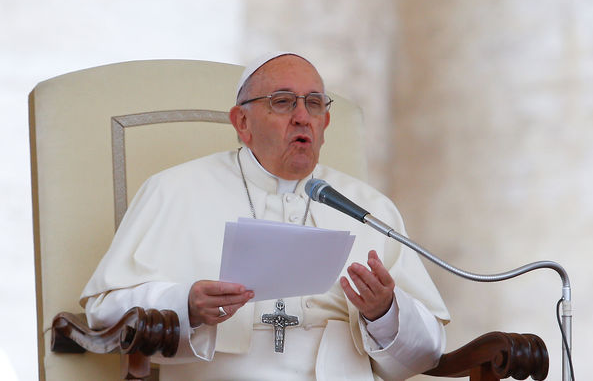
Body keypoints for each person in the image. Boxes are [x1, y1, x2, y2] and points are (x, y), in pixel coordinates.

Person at [81, 52, 450, 380]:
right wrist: (185, 304)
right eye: (284, 102)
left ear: (326, 123)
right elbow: (104, 311)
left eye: (315, 104)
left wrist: (384, 312)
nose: (302, 117)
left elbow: (428, 352)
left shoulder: (370, 208)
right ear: (242, 123)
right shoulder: (172, 190)